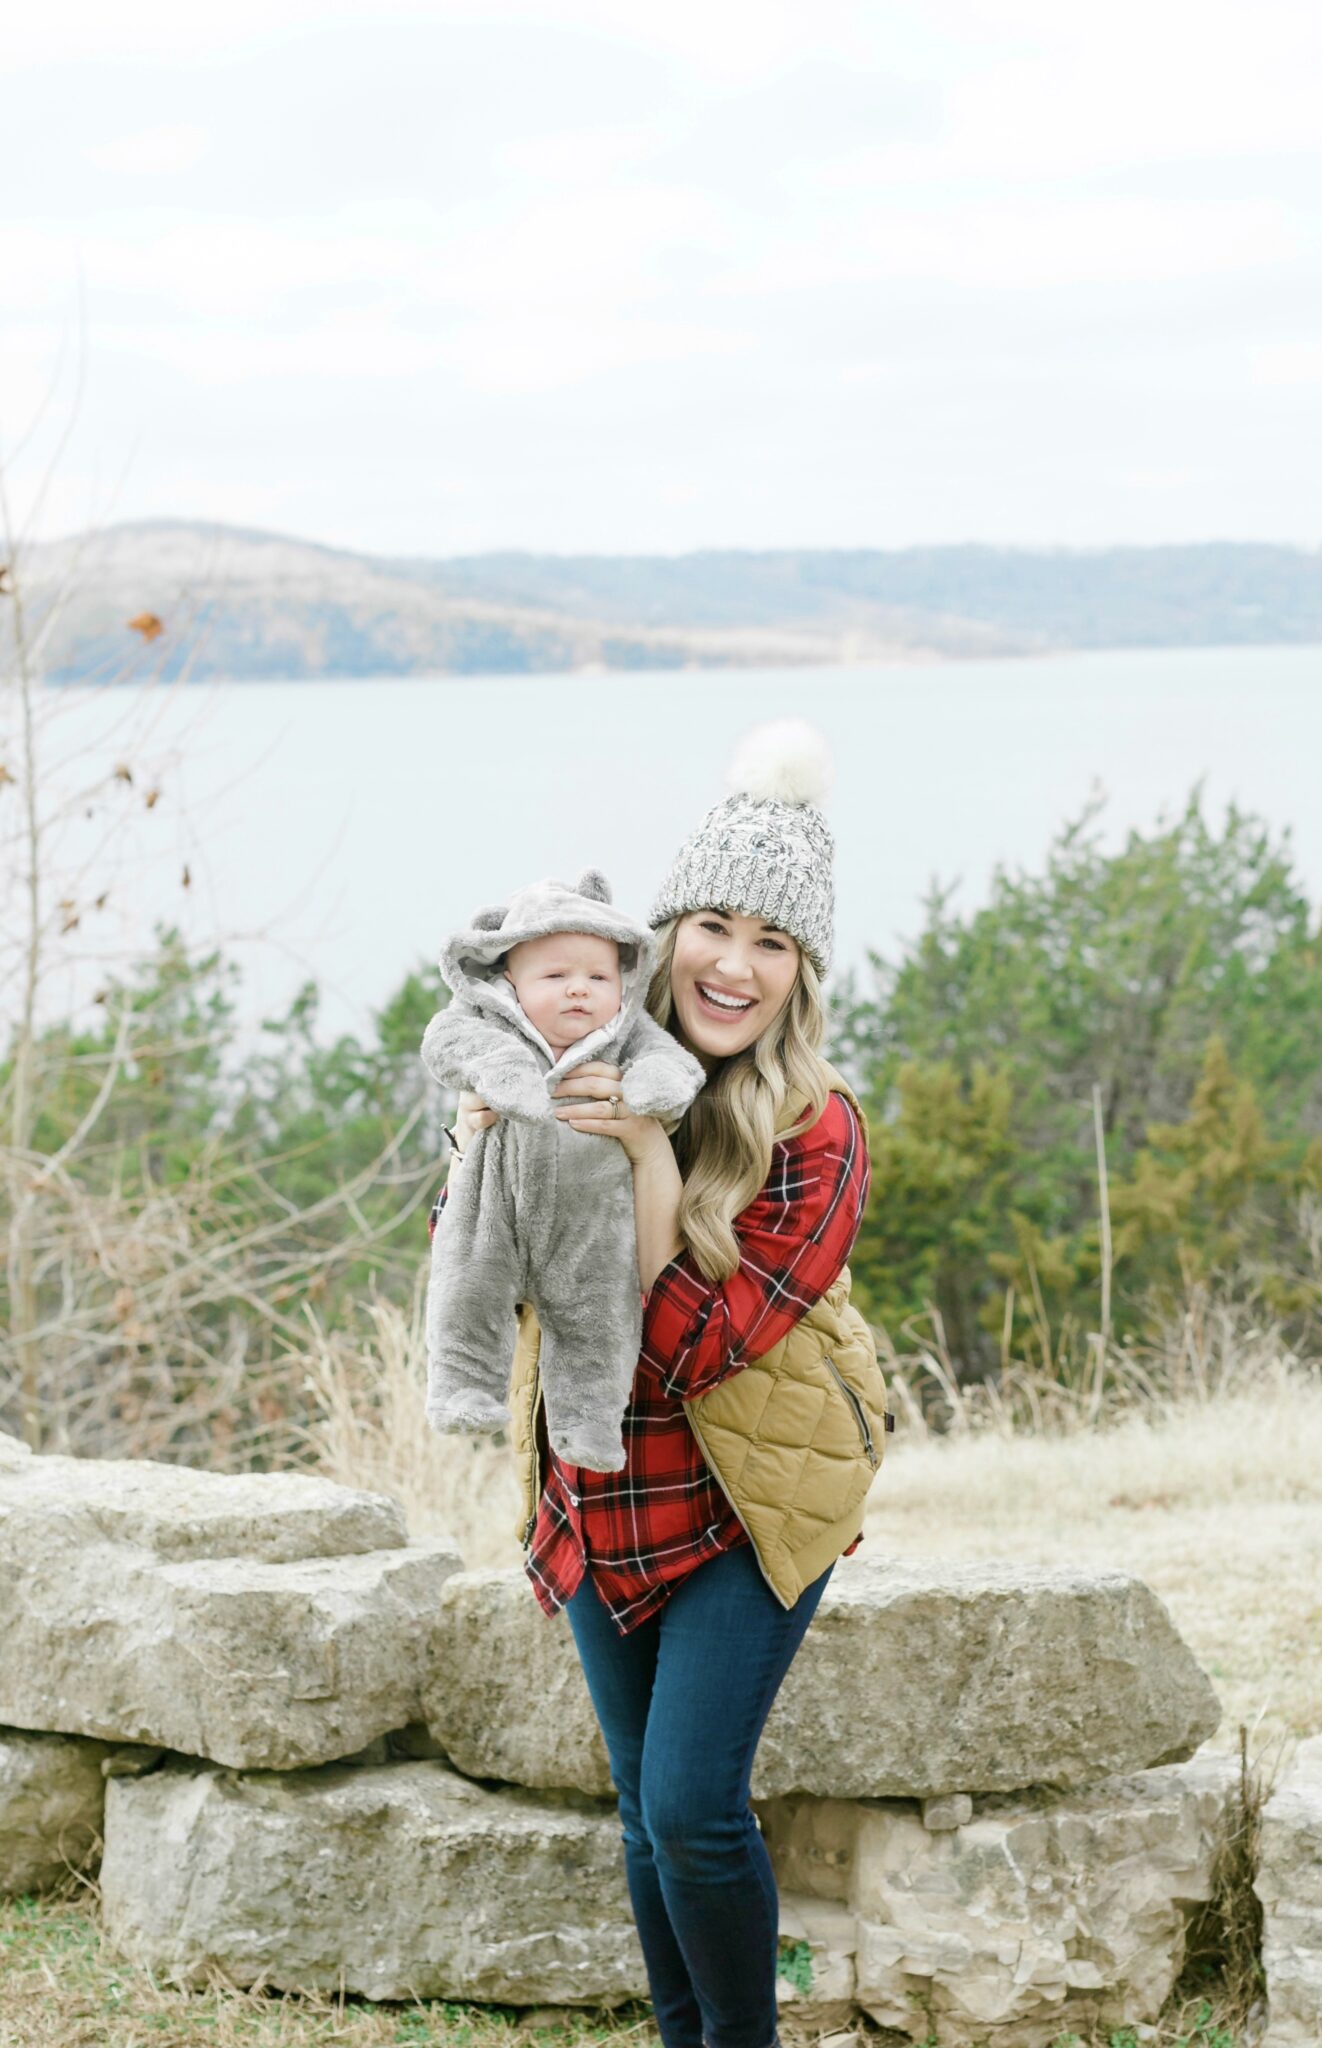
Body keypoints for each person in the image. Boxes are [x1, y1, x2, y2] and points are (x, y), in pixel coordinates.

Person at [426, 719, 887, 2048]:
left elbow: (685, 1347)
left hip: (748, 1502)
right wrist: (482, 1152)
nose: (734, 966)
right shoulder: (572, 1067)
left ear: (801, 975)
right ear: (665, 931)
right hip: (597, 1481)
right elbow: (487, 1268)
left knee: (691, 1803)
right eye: (714, 928)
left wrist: (638, 1160)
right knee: (639, 1809)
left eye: (774, 943)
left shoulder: (814, 1128)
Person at [419, 867, 704, 1470]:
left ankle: (592, 1425)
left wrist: (655, 1088)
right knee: (466, 1292)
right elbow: (445, 1042)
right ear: (509, 983)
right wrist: (499, 1075)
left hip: (589, 1218)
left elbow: (669, 1062)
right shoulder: (490, 1026)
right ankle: (462, 1389)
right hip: (492, 1206)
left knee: (598, 1318)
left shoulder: (623, 1037)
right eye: (556, 976)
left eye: (597, 977)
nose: (579, 990)